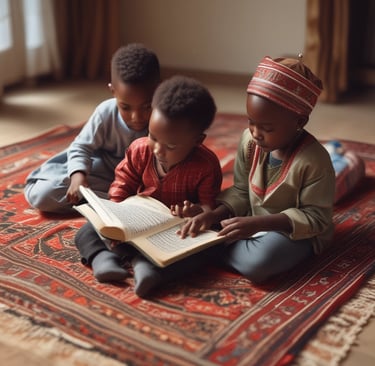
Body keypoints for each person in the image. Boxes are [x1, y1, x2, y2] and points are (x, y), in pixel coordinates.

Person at [180, 54, 336, 284]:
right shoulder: (249, 142)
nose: (255, 132)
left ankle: (207, 250)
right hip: (250, 222)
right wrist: (214, 214)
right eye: (250, 121)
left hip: (293, 233)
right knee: (198, 222)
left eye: (267, 127)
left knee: (260, 263)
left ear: (299, 122)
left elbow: (316, 218)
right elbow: (242, 191)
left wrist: (259, 224)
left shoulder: (314, 161)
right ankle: (215, 246)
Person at [74, 75, 223, 297]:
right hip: (135, 225)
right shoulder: (139, 150)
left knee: (209, 248)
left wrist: (197, 212)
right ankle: (103, 259)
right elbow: (121, 186)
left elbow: (208, 208)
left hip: (173, 233)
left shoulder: (206, 165)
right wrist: (115, 217)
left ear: (197, 140)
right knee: (86, 232)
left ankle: (152, 270)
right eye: (153, 137)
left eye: (171, 145)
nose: (158, 150)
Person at [24, 43, 160, 214]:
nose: (136, 117)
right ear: (113, 91)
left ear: (158, 90)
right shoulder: (106, 112)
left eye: (146, 106)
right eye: (126, 107)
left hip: (143, 182)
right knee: (43, 195)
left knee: (162, 197)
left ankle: (114, 204)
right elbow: (81, 147)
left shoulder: (165, 118)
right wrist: (78, 177)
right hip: (104, 175)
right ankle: (113, 204)